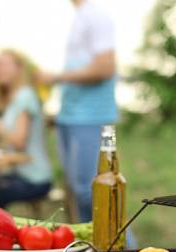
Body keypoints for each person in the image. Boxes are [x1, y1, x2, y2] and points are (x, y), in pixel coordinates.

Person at [38, 0, 117, 222]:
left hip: (90, 118)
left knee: (91, 193)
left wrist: (55, 77)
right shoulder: (80, 16)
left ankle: (125, 251)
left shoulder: (96, 15)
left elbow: (105, 67)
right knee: (78, 194)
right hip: (71, 118)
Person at [0, 50, 52, 208]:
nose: (0, 70)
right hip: (20, 175)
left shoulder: (25, 97)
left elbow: (18, 142)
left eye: (5, 65)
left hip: (35, 179)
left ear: (19, 69)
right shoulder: (14, 99)